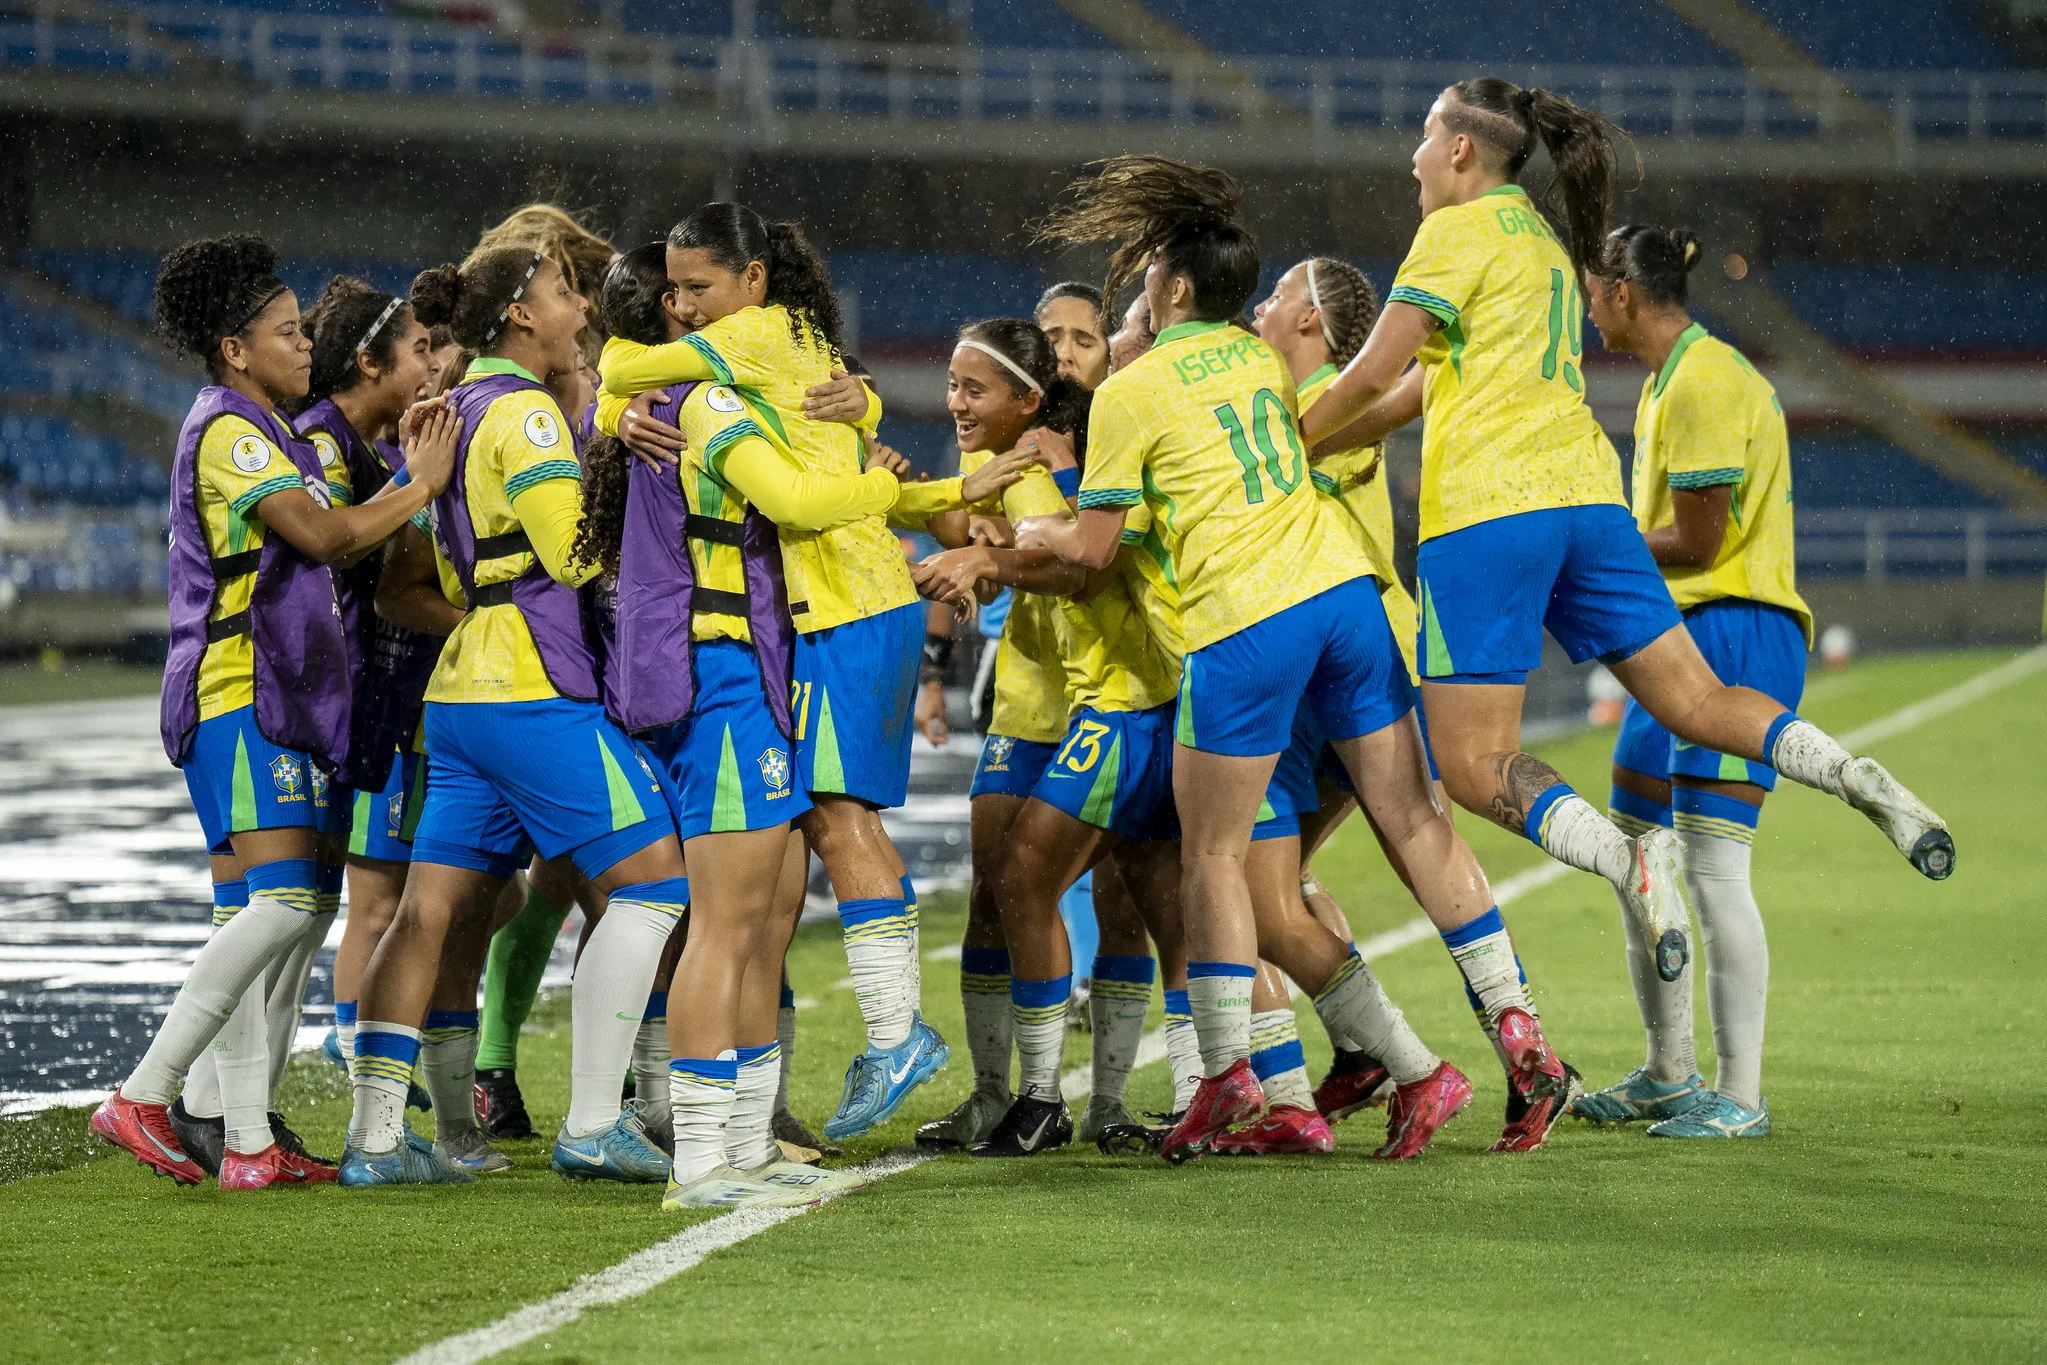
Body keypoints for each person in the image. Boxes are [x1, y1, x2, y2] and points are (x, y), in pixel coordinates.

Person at [1296, 79, 1952, 1003]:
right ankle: (1849, 773)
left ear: (1457, 150)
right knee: (1698, 700)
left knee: (1471, 765)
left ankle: (1628, 863)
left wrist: (1277, 446)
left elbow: (1371, 370)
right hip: (1589, 508)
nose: (1410, 154)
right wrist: (1320, 439)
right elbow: (1410, 396)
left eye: (1422, 131)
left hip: (1488, 515)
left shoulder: (1454, 232)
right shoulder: (1546, 248)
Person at [1025, 155, 1578, 1161]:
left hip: (1247, 624)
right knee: (1412, 822)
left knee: (1215, 860)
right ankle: (1508, 1037)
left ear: (1174, 287)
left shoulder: (1132, 391)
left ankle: (1232, 1080)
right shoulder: (1255, 363)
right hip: (1347, 601)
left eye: (1152, 264)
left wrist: (1010, 544)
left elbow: (1096, 549)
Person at [594, 203, 1028, 1142]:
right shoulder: (802, 348)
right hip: (841, 608)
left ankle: (878, 1043)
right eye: (674, 293)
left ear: (753, 282)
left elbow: (633, 371)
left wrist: (609, 398)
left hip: (826, 610)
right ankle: (752, 1125)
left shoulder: (729, 366)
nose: (688, 307)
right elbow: (837, 444)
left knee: (825, 831)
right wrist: (893, 438)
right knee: (772, 891)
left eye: (699, 287)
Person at [91, 234, 456, 1189]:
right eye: (287, 334)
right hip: (239, 693)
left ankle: (246, 1138)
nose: (306, 347)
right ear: (235, 348)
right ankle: (146, 1092)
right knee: (289, 901)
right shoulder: (230, 430)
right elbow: (326, 537)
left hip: (271, 695)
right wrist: (421, 485)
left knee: (258, 912)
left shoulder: (273, 433)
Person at [575, 243, 918, 1205]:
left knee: (764, 919)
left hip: (735, 674)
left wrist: (865, 404)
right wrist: (890, 485)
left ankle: (748, 1141)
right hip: (722, 677)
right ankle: (700, 1159)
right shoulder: (707, 403)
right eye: (686, 297)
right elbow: (799, 500)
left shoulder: (655, 404)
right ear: (678, 322)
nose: (707, 311)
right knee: (725, 928)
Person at [338, 247, 687, 1187]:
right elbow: (574, 555)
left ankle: (373, 1140)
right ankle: (591, 1122)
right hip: (532, 679)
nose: (580, 304)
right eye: (565, 291)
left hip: (458, 689)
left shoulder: (458, 405)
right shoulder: (528, 411)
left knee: (425, 914)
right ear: (523, 317)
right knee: (654, 881)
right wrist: (633, 476)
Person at [1571, 226, 1809, 1139]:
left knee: (1712, 868)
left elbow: (1703, 543)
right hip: (1673, 635)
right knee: (1637, 857)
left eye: (1594, 292)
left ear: (1624, 292)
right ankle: (1669, 1073)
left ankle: (1740, 1095)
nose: (1589, 308)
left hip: (1735, 629)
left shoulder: (1707, 380)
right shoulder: (1674, 377)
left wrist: (1596, 548)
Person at [907, 320, 1116, 1156]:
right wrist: (968, 549)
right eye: (952, 385)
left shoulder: (1045, 455)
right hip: (1028, 697)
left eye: (972, 388)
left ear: (1026, 396)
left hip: (1101, 695)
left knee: (1110, 899)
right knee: (994, 892)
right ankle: (999, 1095)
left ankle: (1072, 1097)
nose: (955, 402)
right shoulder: (997, 459)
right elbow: (972, 535)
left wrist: (989, 559)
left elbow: (1076, 565)